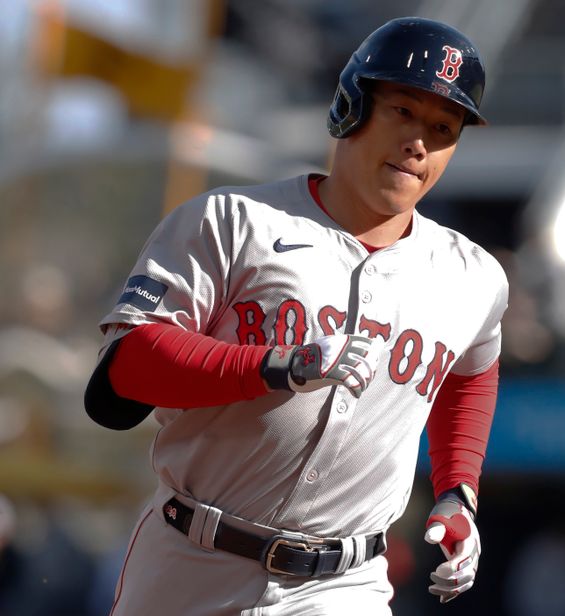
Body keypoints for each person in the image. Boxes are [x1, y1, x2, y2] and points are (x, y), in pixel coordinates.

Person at [84, 16, 508, 616]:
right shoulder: (234, 222)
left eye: (442, 128)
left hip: (345, 584)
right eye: (402, 112)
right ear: (351, 107)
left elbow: (472, 372)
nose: (420, 142)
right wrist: (279, 364)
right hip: (193, 561)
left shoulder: (474, 276)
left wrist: (458, 490)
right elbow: (126, 368)